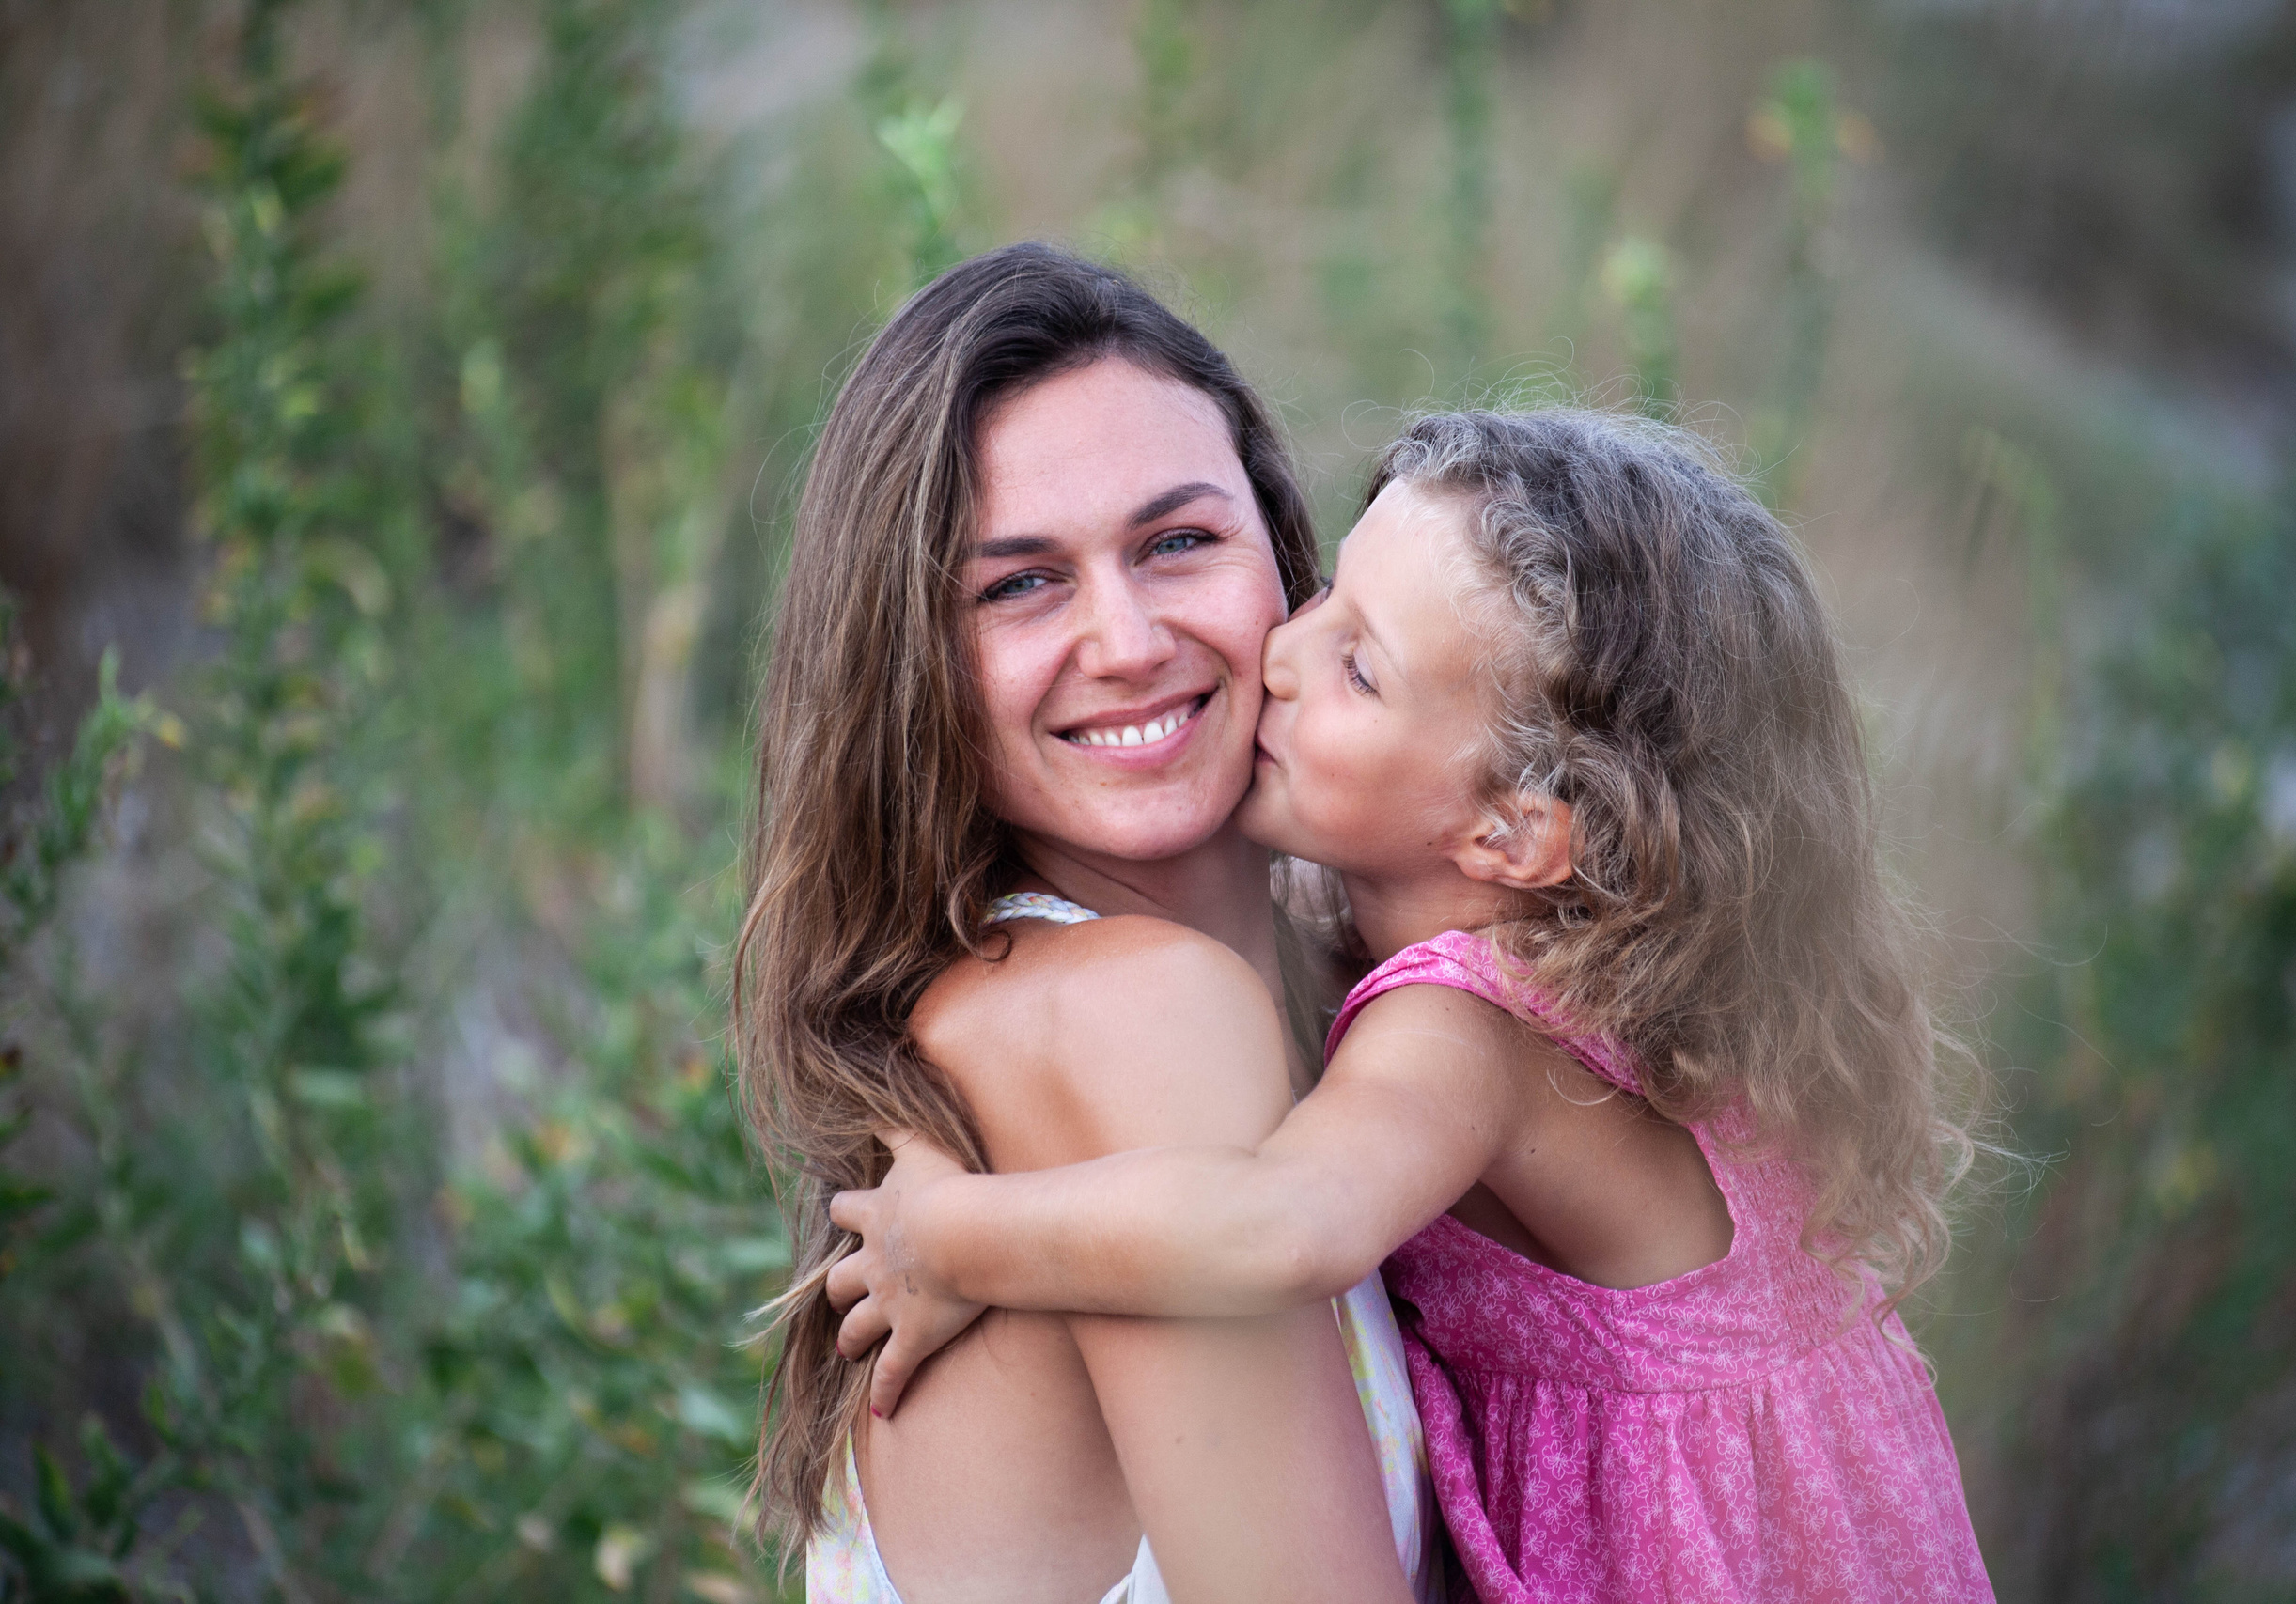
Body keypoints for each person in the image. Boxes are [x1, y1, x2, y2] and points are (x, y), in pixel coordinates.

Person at [828, 409, 1998, 1601]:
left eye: (1357, 667)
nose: (1282, 651)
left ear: (1510, 829)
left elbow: (1280, 1228)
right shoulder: (1584, 974)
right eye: (1325, 592)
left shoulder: (1468, 1033)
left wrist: (954, 1236)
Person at [733, 242, 1437, 1604]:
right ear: (910, 666)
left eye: (1178, 542)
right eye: (1018, 584)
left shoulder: (1316, 979)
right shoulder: (1132, 1012)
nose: (1125, 639)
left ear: (1285, 566)